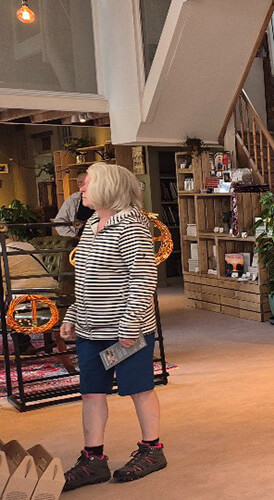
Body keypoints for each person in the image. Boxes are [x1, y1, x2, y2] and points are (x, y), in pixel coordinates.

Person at [58, 162, 164, 491]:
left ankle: (152, 450)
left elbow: (143, 279)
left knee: (139, 389)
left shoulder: (131, 226)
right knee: (91, 392)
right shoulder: (91, 224)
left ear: (107, 187)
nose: (81, 189)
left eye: (86, 183)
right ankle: (93, 459)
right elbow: (87, 279)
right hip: (91, 330)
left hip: (126, 332)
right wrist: (74, 314)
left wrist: (131, 325)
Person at [52, 171, 95, 237]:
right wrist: (74, 237)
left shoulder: (102, 198)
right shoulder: (73, 199)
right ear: (79, 184)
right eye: (88, 183)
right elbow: (59, 222)